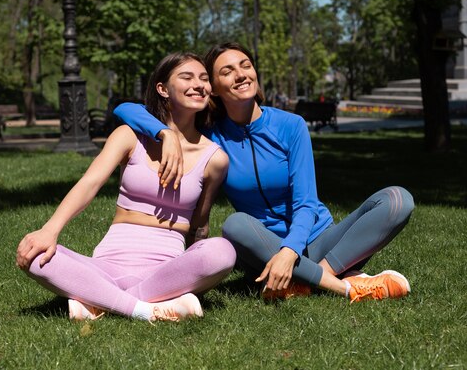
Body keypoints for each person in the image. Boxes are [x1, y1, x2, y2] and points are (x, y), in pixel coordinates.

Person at [114, 42, 415, 303]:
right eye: (227, 71)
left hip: (318, 240)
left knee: (397, 199)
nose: (241, 74)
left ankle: (310, 279)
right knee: (234, 225)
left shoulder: (290, 125)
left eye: (245, 65)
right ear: (213, 89)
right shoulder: (212, 136)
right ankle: (345, 283)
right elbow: (126, 108)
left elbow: (306, 203)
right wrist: (163, 133)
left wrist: (290, 253)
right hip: (261, 248)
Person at [16, 52, 235, 322]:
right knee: (36, 255)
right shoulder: (130, 136)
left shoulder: (214, 158)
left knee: (223, 252)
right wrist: (49, 231)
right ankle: (146, 309)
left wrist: (196, 271)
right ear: (163, 89)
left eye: (204, 78)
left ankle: (98, 300)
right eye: (187, 77)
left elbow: (200, 225)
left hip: (164, 270)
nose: (199, 84)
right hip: (106, 265)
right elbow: (90, 183)